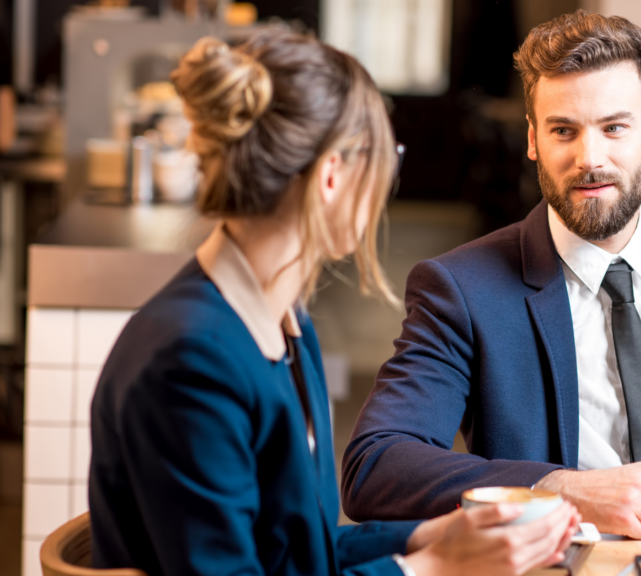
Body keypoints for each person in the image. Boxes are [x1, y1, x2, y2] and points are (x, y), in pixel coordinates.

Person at [89, 29, 579, 576]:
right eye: (385, 157)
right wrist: (434, 568)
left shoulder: (284, 325)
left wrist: (430, 534)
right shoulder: (189, 361)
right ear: (330, 176)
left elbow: (299, 553)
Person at [342, 10, 641, 540]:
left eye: (614, 127)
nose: (589, 158)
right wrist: (560, 487)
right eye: (563, 131)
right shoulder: (461, 289)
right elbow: (376, 466)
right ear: (534, 141)